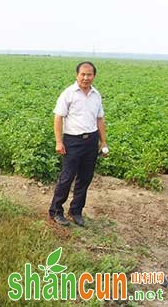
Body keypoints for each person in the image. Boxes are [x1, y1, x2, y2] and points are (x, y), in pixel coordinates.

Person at [49, 61, 108, 227]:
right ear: (77, 75)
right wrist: (59, 142)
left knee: (85, 178)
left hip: (91, 141)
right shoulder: (68, 93)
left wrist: (103, 142)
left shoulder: (96, 95)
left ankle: (76, 211)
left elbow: (100, 119)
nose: (86, 78)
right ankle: (56, 211)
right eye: (83, 74)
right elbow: (58, 117)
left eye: (89, 75)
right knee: (67, 177)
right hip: (72, 141)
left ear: (94, 76)